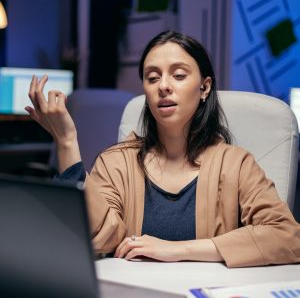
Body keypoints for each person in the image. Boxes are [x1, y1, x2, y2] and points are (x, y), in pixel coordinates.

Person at [26, 30, 300, 268]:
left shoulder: (235, 164)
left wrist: (177, 250)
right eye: (152, 77)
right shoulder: (116, 163)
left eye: (179, 75)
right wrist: (66, 141)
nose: (164, 86)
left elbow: (287, 236)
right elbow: (96, 237)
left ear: (205, 87)